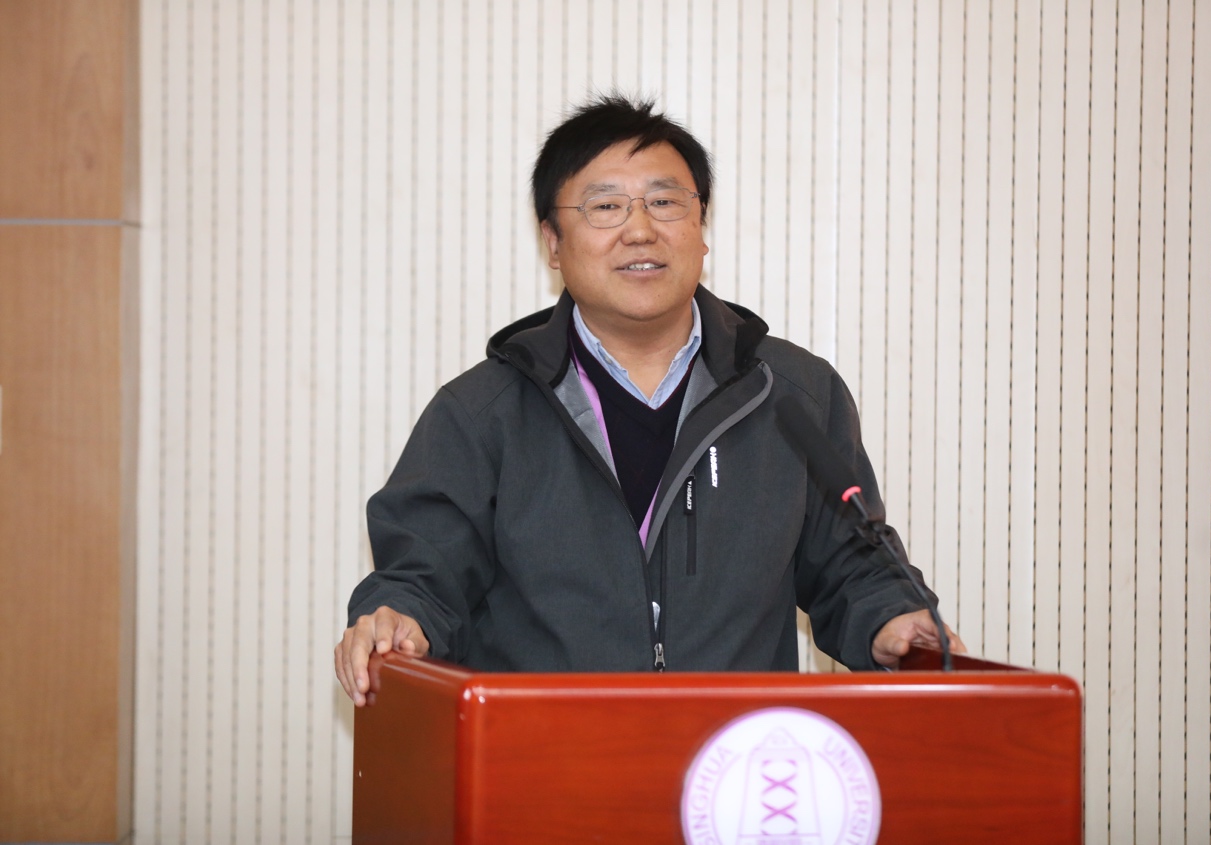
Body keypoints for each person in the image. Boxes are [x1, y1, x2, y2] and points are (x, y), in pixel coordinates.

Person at [335, 94, 964, 706]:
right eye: (605, 206)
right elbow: (422, 574)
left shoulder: (794, 394)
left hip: (735, 758)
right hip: (541, 758)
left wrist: (892, 617)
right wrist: (397, 618)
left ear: (700, 227)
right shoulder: (482, 413)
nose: (639, 230)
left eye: (664, 202)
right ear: (552, 241)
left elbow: (854, 563)